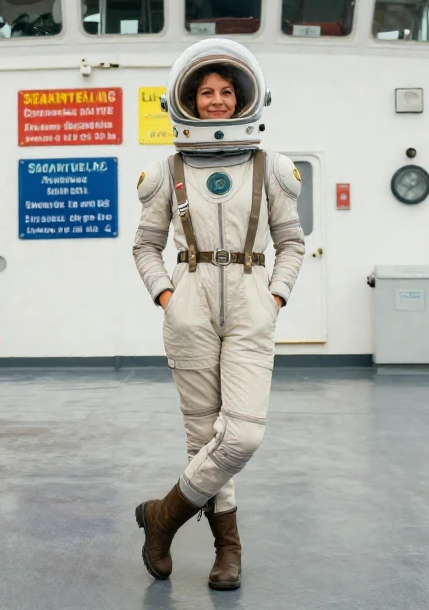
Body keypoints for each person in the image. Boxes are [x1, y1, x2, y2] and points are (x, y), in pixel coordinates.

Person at [131, 38, 305, 591]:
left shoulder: (272, 168)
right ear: (187, 100)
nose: (216, 100)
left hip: (252, 304)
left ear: (244, 97)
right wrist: (168, 297)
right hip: (190, 305)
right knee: (203, 435)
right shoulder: (167, 171)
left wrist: (274, 298)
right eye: (205, 92)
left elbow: (292, 244)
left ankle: (163, 517)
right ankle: (227, 549)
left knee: (242, 436)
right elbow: (145, 246)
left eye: (226, 91)